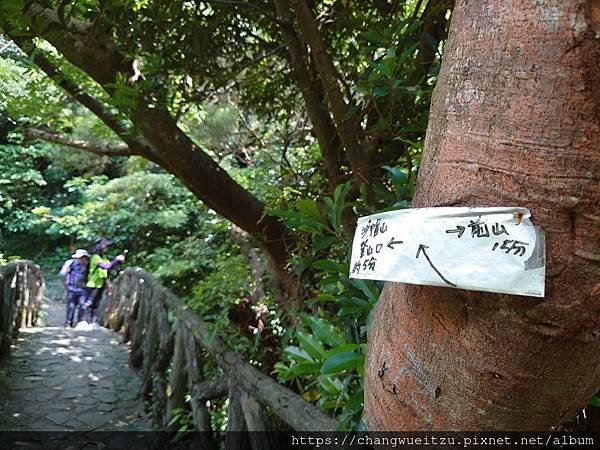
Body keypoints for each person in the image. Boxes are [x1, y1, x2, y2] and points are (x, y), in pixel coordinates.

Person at [85, 237, 125, 324]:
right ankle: (83, 321)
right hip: (93, 284)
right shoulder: (95, 257)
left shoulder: (104, 257)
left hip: (100, 284)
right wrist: (116, 260)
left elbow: (109, 266)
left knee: (96, 304)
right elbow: (105, 266)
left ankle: (93, 322)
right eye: (105, 246)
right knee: (89, 303)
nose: (106, 248)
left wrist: (117, 262)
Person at [59, 249, 90, 328]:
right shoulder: (70, 263)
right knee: (71, 307)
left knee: (82, 306)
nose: (83, 259)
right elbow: (62, 274)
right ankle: (68, 323)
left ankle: (80, 323)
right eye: (82, 257)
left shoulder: (88, 265)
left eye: (85, 257)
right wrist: (66, 270)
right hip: (71, 288)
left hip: (83, 289)